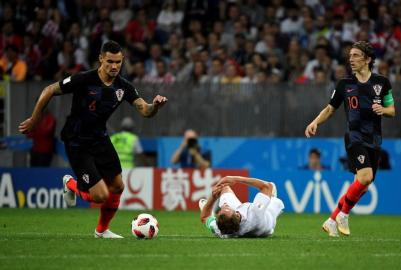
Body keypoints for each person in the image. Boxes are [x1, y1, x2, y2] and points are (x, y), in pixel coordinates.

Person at [19, 41, 168, 238]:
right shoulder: (84, 79)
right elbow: (49, 90)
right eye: (109, 62)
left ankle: (101, 230)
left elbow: (145, 110)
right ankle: (70, 184)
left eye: (118, 62)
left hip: (100, 139)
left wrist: (155, 106)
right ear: (101, 59)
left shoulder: (123, 86)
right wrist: (35, 119)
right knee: (100, 196)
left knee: (117, 186)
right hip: (77, 140)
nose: (114, 66)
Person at [305, 41, 396, 237]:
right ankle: (343, 214)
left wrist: (384, 110)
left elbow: (392, 110)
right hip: (354, 137)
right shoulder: (344, 84)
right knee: (366, 177)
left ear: (368, 59)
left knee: (363, 185)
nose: (351, 59)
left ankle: (331, 220)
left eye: (356, 56)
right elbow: (330, 109)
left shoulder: (382, 83)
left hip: (374, 139)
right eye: (350, 56)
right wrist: (315, 122)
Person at [199, 176, 284, 238]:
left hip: (241, 219)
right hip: (268, 217)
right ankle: (271, 197)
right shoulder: (255, 213)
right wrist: (235, 179)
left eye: (221, 210)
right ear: (237, 214)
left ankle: (211, 210)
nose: (224, 206)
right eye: (226, 207)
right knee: (271, 188)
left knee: (224, 187)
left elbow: (205, 217)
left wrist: (212, 198)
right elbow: (267, 186)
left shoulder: (222, 231)